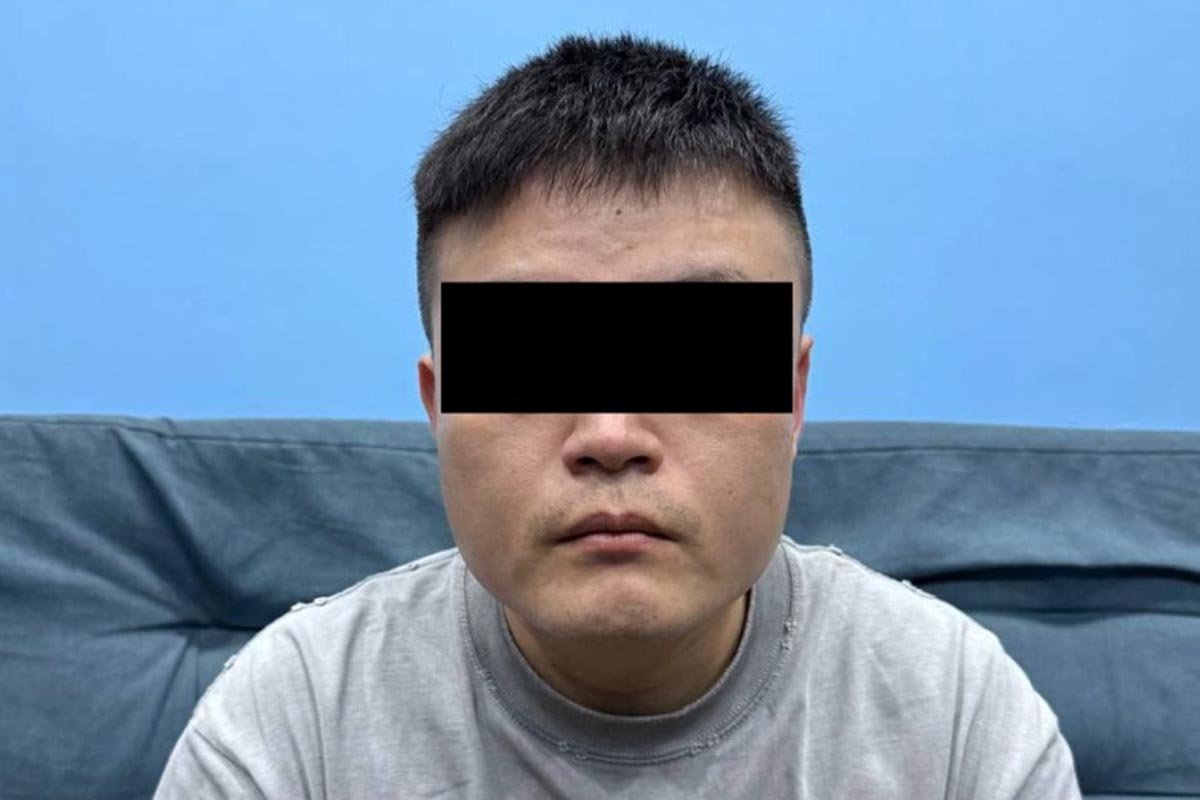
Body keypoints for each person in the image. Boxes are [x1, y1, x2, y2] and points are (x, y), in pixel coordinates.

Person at [154, 31, 1082, 798]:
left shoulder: (954, 717)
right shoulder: (295, 725)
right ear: (437, 406)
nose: (609, 437)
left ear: (793, 397)